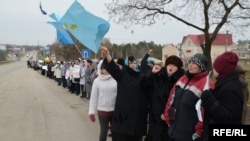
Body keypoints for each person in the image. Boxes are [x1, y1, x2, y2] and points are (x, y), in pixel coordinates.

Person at [162, 53, 215, 141]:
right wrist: (167, 117)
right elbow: (171, 98)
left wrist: (199, 129)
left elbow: (204, 111)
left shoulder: (207, 84)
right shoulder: (183, 79)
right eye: (190, 62)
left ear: (201, 67)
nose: (190, 65)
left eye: (194, 63)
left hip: (190, 132)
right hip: (174, 128)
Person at [101, 46, 148, 141]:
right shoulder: (122, 74)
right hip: (123, 117)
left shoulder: (141, 76)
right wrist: (107, 54)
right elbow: (113, 66)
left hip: (137, 117)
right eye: (130, 63)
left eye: (134, 63)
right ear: (127, 64)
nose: (133, 65)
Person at [200, 51, 244, 141]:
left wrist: (209, 100)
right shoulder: (225, 83)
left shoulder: (230, 88)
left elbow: (229, 118)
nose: (213, 68)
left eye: (215, 67)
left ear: (222, 69)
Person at [145, 55, 185, 141]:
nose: (171, 67)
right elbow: (146, 86)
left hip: (170, 119)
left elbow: (179, 101)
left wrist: (168, 115)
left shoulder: (181, 81)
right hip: (155, 117)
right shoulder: (159, 76)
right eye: (169, 65)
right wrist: (152, 73)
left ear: (178, 68)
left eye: (174, 66)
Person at [88, 60, 117, 141]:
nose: (106, 70)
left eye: (108, 68)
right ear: (101, 69)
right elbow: (93, 97)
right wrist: (91, 112)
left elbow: (120, 96)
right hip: (102, 112)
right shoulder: (97, 81)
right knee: (103, 132)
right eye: (104, 68)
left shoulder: (115, 79)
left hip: (114, 111)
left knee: (115, 132)